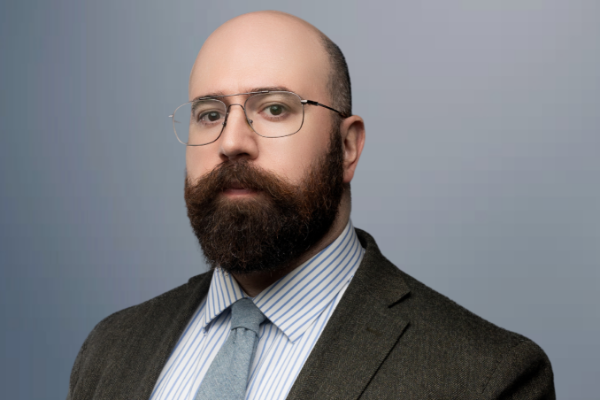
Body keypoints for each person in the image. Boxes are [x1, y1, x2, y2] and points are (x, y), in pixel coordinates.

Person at [67, 10, 555, 400]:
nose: (231, 142)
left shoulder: (485, 377)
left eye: (275, 108)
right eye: (210, 115)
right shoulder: (110, 350)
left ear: (347, 146)